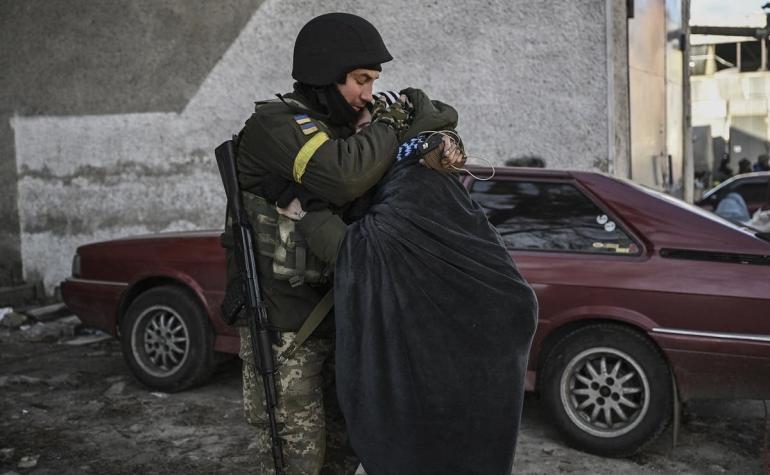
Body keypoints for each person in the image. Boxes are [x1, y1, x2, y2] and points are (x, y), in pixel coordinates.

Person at [221, 12, 464, 474]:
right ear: (324, 74)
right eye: (360, 80)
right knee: (296, 460)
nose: (368, 94)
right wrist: (392, 124)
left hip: (345, 321)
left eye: (374, 81)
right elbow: (342, 176)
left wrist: (437, 135)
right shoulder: (276, 124)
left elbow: (438, 114)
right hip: (285, 331)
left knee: (345, 453)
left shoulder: (351, 127)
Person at [278, 124, 538, 474]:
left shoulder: (406, 191)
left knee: (425, 449)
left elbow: (352, 250)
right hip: (481, 358)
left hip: (449, 364)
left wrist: (306, 212)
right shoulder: (450, 193)